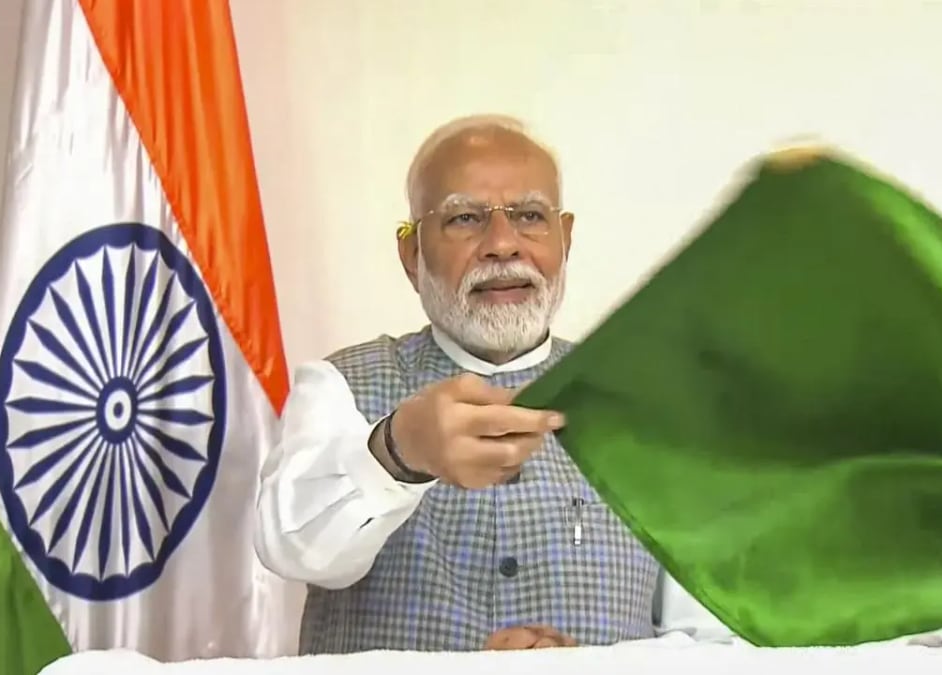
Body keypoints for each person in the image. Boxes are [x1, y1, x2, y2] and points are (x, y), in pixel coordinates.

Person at [253, 114, 730, 654]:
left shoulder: (650, 408)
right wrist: (398, 451)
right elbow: (290, 547)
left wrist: (602, 667)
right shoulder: (341, 384)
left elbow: (713, 637)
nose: (502, 244)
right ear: (412, 255)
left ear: (565, 239)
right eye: (464, 218)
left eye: (529, 216)